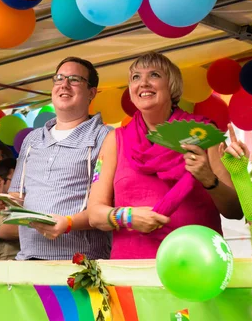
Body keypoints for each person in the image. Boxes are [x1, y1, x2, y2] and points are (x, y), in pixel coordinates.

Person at [87, 52, 243, 259]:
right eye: (135, 77)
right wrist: (128, 217)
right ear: (131, 91)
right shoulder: (115, 140)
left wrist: (208, 179)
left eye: (154, 75)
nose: (143, 83)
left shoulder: (204, 134)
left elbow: (235, 211)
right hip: (132, 269)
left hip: (198, 262)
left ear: (172, 86)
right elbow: (94, 214)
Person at [0, 57, 112, 260]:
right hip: (28, 259)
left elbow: (106, 206)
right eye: (59, 78)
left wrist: (69, 223)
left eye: (74, 79)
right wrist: (4, 204)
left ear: (91, 92)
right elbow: (18, 196)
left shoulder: (104, 136)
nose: (64, 85)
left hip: (80, 264)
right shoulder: (32, 139)